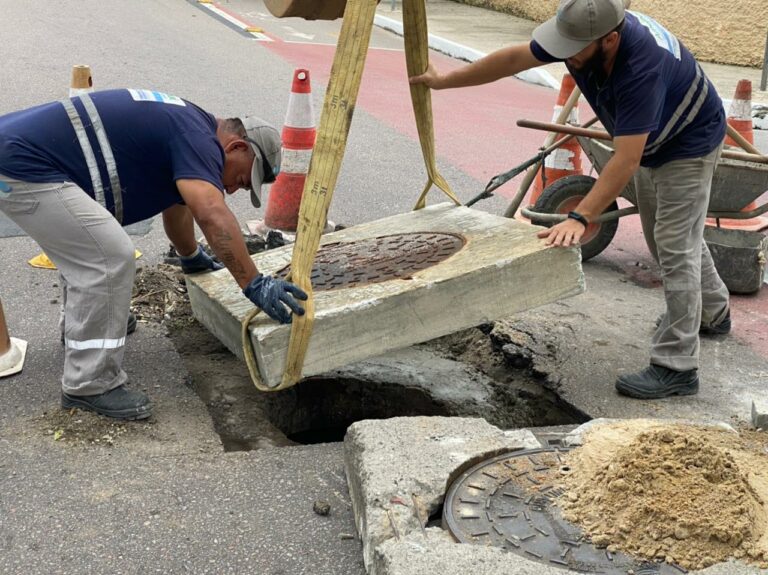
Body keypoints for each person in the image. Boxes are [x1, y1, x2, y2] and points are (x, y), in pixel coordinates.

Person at [410, 0, 730, 399]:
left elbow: (626, 158)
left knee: (674, 244)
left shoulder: (640, 69)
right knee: (669, 235)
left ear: (610, 40)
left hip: (688, 142)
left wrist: (581, 216)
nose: (563, 56)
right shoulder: (580, 38)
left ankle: (677, 366)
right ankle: (714, 312)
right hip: (653, 138)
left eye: (572, 50)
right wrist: (445, 80)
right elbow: (513, 58)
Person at [0, 88, 308, 419]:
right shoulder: (199, 139)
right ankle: (90, 384)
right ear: (237, 146)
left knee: (88, 243)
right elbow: (210, 213)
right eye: (243, 179)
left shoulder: (188, 131)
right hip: (21, 162)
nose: (233, 189)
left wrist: (191, 257)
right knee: (108, 256)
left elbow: (178, 209)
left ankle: (91, 327)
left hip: (21, 153)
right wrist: (254, 283)